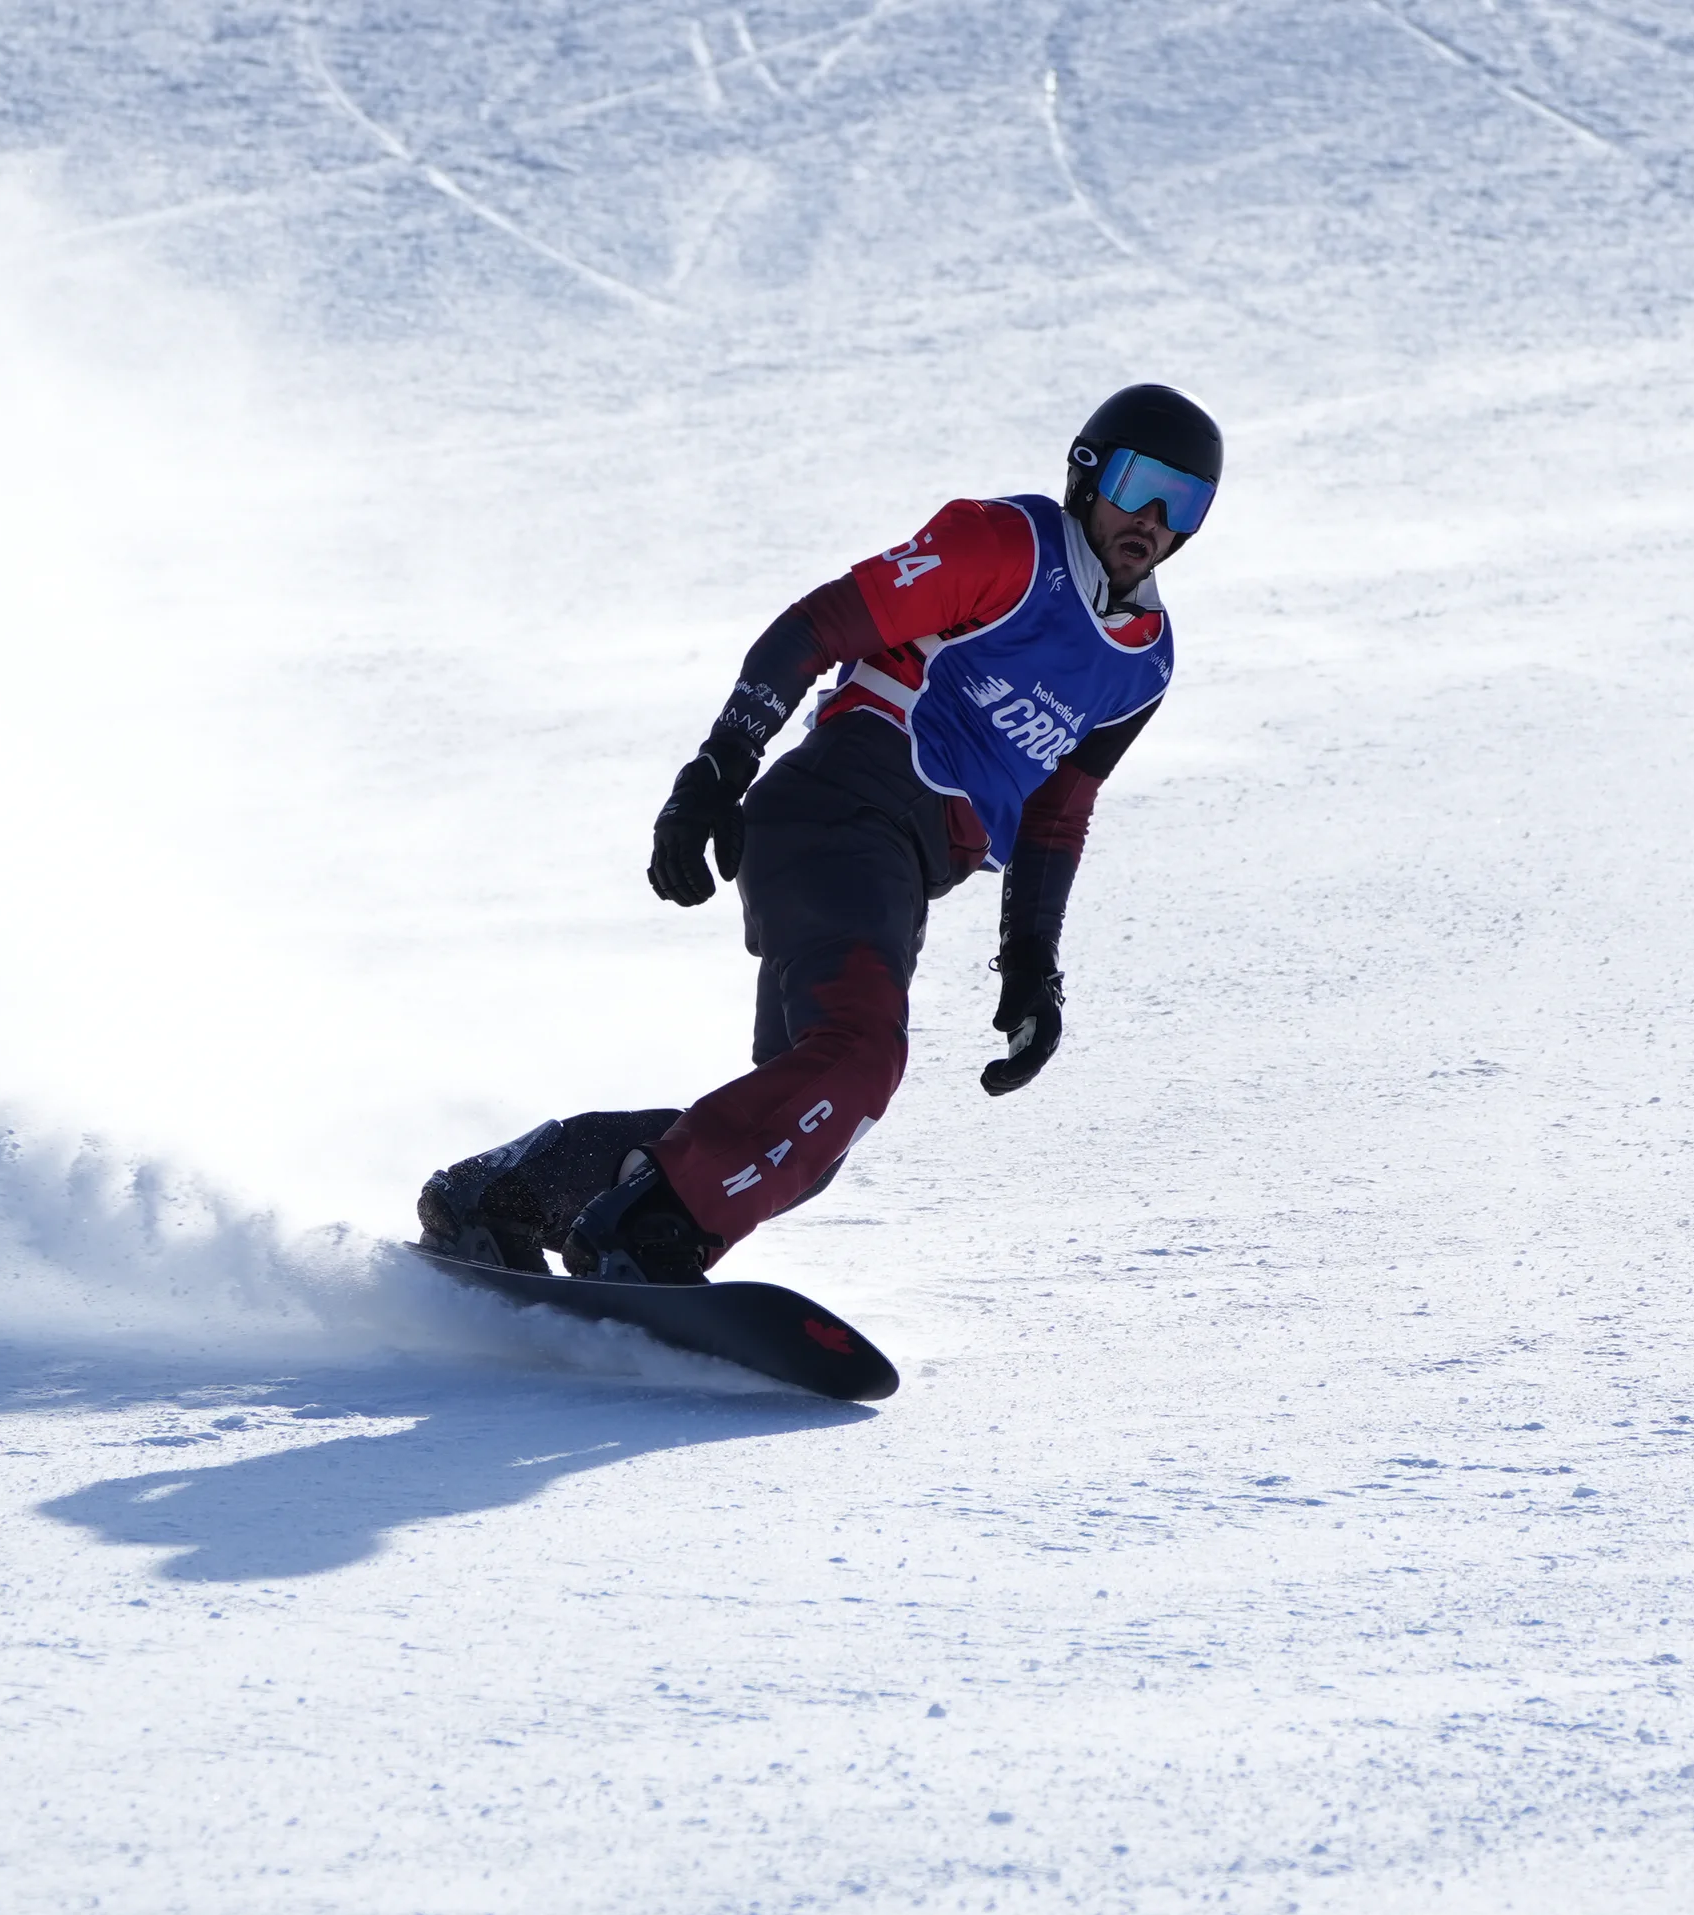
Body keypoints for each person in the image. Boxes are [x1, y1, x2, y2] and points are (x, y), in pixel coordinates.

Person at [418, 383, 1222, 1284]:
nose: (1153, 518)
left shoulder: (1145, 662)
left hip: (900, 874)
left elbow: (1057, 814)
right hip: (841, 813)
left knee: (802, 1134)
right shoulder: (1009, 546)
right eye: (1140, 482)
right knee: (856, 1063)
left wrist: (1032, 965)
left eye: (1183, 502)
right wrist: (719, 767)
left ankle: (512, 1196)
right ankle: (645, 1232)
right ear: (1087, 473)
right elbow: (820, 622)